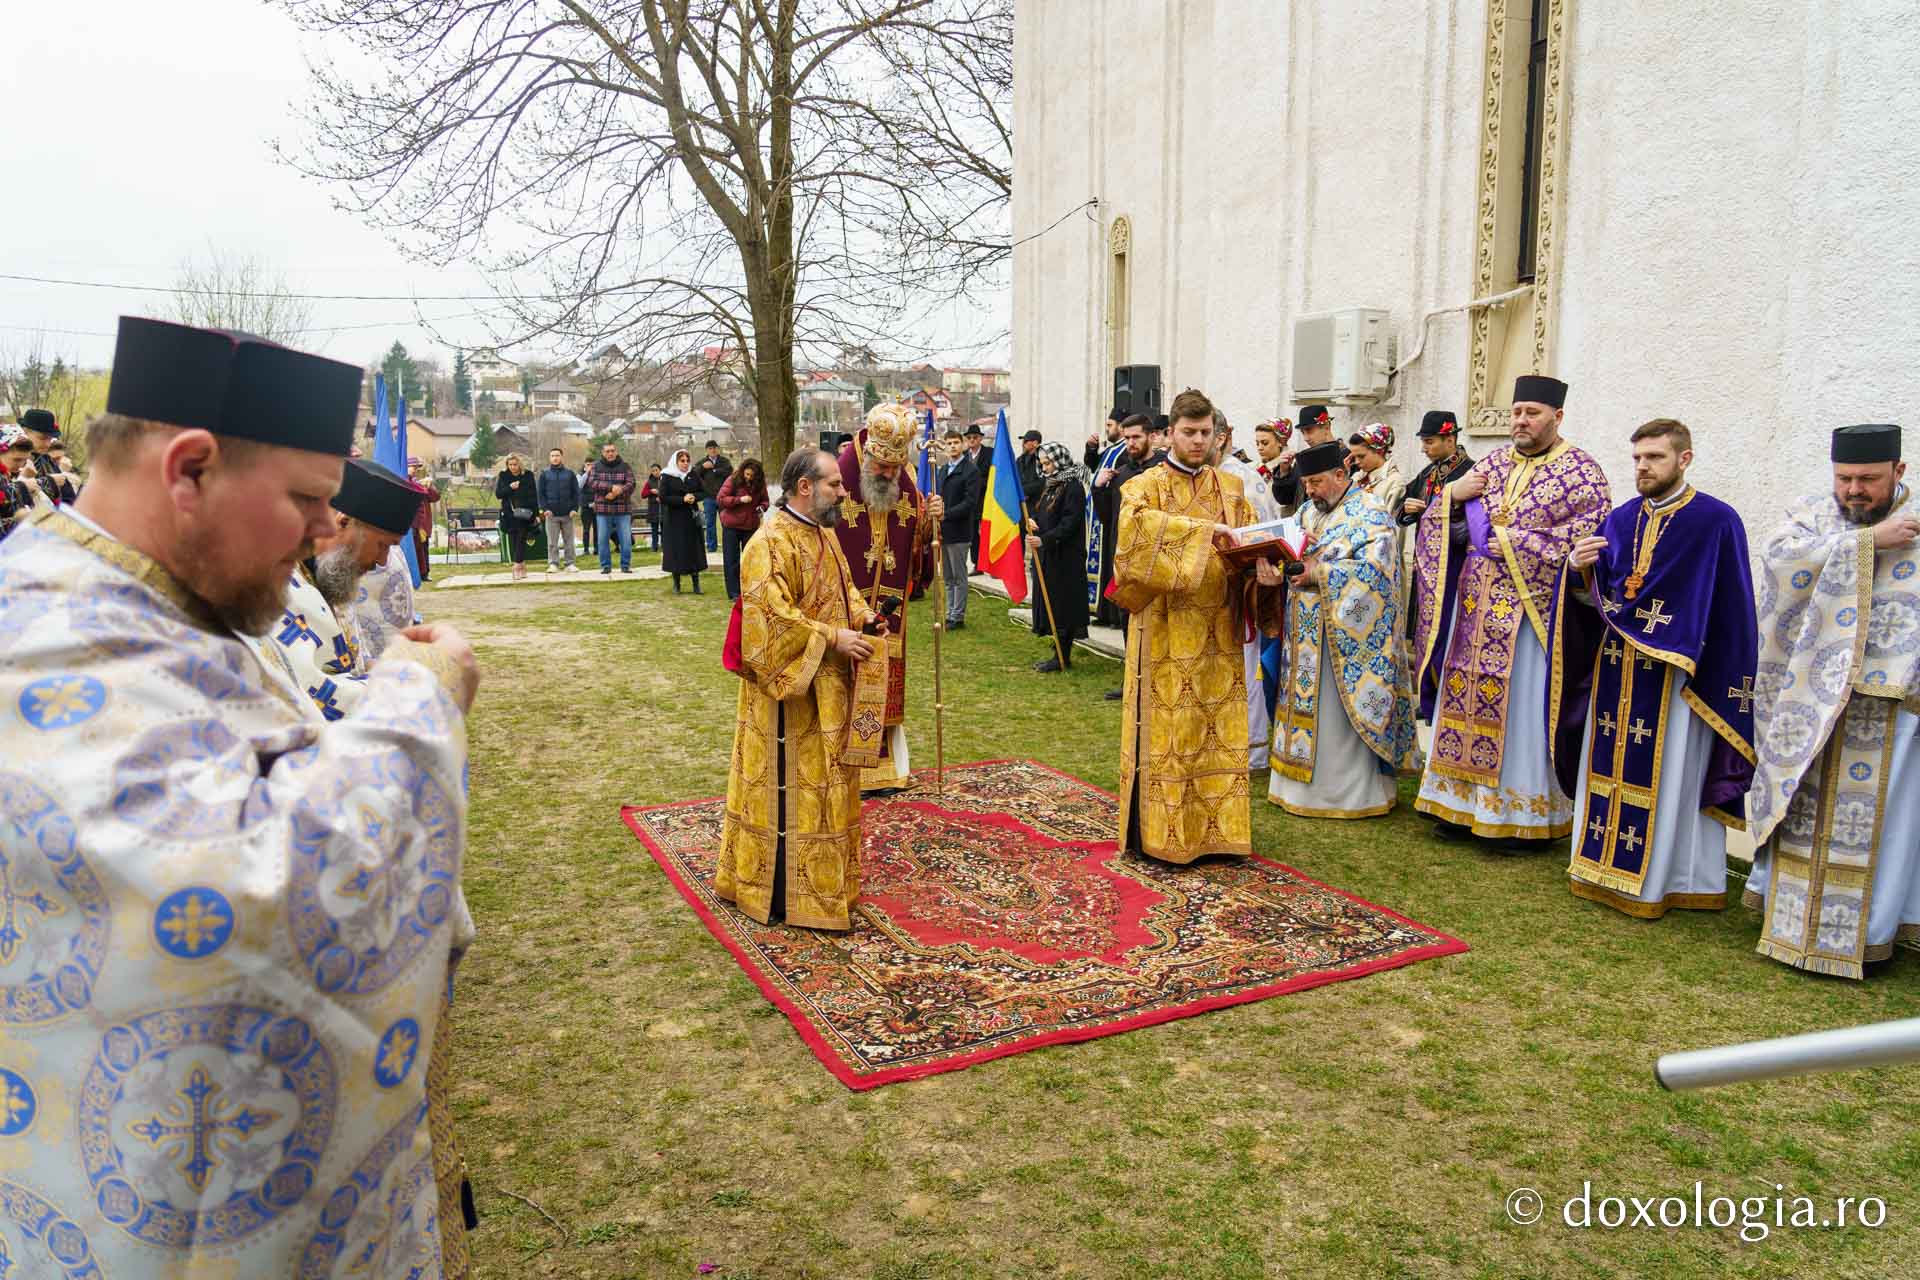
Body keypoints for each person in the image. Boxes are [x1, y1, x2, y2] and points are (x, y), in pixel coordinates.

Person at [0, 314, 481, 1278]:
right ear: (189, 470)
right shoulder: (42, 639)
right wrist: (418, 705)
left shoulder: (159, 603)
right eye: (307, 498)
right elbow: (240, 896)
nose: (322, 533)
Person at [1550, 419, 1757, 920]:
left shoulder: (1716, 521)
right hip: (1616, 670)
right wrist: (1578, 567)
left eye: (1655, 458)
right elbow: (1597, 597)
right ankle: (1597, 867)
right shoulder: (1620, 520)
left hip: (1677, 680)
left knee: (1672, 777)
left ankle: (1667, 880)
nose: (1643, 467)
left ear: (1684, 459)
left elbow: (1733, 610)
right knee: (1608, 765)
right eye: (1639, 458)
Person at [1743, 423, 1920, 977]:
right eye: (1844, 478)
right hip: (1809, 700)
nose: (1854, 491)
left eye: (1868, 479)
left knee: (1878, 826)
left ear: (1899, 471)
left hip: (1890, 708)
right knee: (1804, 809)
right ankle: (1789, 925)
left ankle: (1868, 934)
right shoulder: (1814, 516)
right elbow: (1780, 563)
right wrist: (1868, 541)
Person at [1412, 375, 1610, 844]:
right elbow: (1446, 528)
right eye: (1517, 411)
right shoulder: (1492, 464)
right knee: (1462, 695)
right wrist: (1450, 500)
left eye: (1533, 413)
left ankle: (1515, 814)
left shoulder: (1583, 474)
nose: (1521, 420)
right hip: (1473, 609)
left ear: (1556, 417)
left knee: (1518, 707)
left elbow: (1588, 542)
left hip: (1529, 617)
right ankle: (1457, 805)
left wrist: (1511, 541)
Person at [1110, 388, 1284, 863]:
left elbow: (1246, 547)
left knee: (1216, 731)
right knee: (1171, 734)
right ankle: (1161, 835)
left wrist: (1264, 572)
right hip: (1165, 630)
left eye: (1206, 433)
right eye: (1188, 432)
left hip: (1219, 631)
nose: (1197, 441)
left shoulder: (1232, 489)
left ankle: (1217, 835)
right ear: (1170, 433)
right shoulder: (1143, 486)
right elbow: (1132, 543)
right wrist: (1207, 532)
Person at [714, 446, 877, 930]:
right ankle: (781, 894)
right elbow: (771, 619)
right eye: (835, 485)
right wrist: (832, 637)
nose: (843, 492)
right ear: (805, 487)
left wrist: (867, 617)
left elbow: (843, 588)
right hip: (789, 693)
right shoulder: (767, 543)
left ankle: (823, 887)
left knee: (827, 785)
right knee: (792, 788)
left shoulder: (823, 535)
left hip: (828, 688)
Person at [1268, 441, 1415, 816]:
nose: (1311, 491)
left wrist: (1321, 572)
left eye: (1317, 482)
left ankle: (1347, 795)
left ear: (1340, 475)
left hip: (1347, 643)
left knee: (1336, 720)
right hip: (1302, 637)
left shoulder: (1371, 512)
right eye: (1307, 483)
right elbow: (1287, 559)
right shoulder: (1305, 512)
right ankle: (1297, 788)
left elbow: (1379, 574)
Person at [246, 457, 424, 720]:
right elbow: (309, 694)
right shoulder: (275, 585)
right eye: (383, 545)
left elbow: (351, 664)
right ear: (343, 521)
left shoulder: (333, 577)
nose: (382, 561)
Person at [832, 403, 942, 789]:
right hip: (844, 606)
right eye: (883, 468)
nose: (891, 475)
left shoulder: (905, 486)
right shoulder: (839, 476)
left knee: (885, 679)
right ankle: (841, 769)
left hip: (890, 610)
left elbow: (919, 551)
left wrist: (931, 520)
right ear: (869, 455)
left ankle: (885, 770)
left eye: (896, 468)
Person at [1025, 441, 1088, 670]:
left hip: (1066, 556)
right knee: (1052, 602)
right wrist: (1034, 522)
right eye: (1042, 463)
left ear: (1059, 460)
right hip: (1050, 555)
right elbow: (1046, 514)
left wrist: (1045, 539)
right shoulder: (1052, 484)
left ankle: (1063, 656)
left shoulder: (1072, 486)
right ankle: (1057, 651)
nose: (1046, 468)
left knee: (1062, 605)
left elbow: (1069, 522)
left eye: (1049, 463)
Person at [1087, 407, 1134, 627]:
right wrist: (1091, 449)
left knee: (1112, 563)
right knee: (1104, 562)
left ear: (1121, 427)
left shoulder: (1126, 450)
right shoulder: (1111, 450)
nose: (1107, 429)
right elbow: (1094, 467)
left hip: (1113, 513)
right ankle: (1103, 611)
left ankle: (1115, 614)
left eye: (1110, 425)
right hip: (1100, 513)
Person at [934, 428, 983, 630]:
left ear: (962, 445)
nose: (953, 446)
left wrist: (948, 513)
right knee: (948, 576)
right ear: (944, 447)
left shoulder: (970, 471)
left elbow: (970, 502)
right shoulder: (943, 470)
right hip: (944, 530)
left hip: (959, 530)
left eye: (956, 442)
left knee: (959, 575)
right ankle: (949, 613)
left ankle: (957, 615)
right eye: (949, 443)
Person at [716, 455, 770, 600]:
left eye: (752, 476)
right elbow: (721, 499)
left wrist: (761, 507)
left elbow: (765, 501)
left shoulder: (760, 484)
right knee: (731, 560)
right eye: (747, 474)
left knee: (749, 560)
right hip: (731, 526)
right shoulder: (733, 480)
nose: (749, 478)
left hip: (750, 526)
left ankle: (748, 589)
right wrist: (739, 500)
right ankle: (734, 593)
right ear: (742, 472)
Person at [659, 447, 708, 591]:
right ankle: (677, 583)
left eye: (687, 460)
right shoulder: (667, 476)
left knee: (694, 549)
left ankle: (696, 583)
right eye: (682, 461)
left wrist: (694, 497)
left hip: (691, 517)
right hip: (674, 518)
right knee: (676, 549)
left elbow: (704, 491)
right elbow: (663, 497)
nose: (685, 463)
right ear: (676, 462)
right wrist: (682, 499)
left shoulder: (693, 474)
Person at [587, 440, 638, 575]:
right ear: (603, 453)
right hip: (603, 510)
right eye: (607, 451)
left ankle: (625, 566)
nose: (610, 453)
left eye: (612, 451)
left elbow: (631, 484)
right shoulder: (596, 467)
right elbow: (592, 483)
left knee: (626, 539)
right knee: (603, 539)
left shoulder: (625, 466)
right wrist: (610, 488)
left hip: (623, 510)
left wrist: (618, 491)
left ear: (616, 452)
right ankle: (605, 566)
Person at [1349, 423, 1407, 533]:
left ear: (1379, 451)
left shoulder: (1394, 482)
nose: (1356, 462)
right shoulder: (1356, 478)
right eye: (1354, 457)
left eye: (1361, 456)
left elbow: (1390, 526)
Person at [494, 452, 539, 580]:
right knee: (515, 540)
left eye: (515, 464)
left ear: (520, 464)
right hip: (509, 514)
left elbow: (534, 495)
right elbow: (498, 494)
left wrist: (536, 514)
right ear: (507, 465)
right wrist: (510, 487)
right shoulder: (503, 476)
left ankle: (516, 565)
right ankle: (522, 564)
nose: (513, 467)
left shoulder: (528, 475)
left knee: (521, 537)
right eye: (510, 464)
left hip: (525, 513)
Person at [18, 408, 76, 506]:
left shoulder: (46, 459)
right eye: (43, 438)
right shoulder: (10, 461)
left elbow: (69, 498)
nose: (48, 444)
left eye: (50, 439)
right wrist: (49, 483)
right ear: (25, 432)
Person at [537, 446, 580, 572]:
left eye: (557, 455)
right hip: (551, 514)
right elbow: (541, 494)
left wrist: (574, 508)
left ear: (561, 457)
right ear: (549, 458)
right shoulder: (544, 474)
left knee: (569, 541)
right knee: (552, 542)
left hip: (568, 513)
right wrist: (545, 509)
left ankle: (569, 564)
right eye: (552, 456)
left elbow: (576, 493)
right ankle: (553, 563)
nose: (555, 458)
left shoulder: (570, 474)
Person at [406, 456, 441, 581]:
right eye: (413, 467)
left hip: (424, 523)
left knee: (424, 549)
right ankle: (416, 574)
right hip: (414, 523)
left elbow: (435, 497)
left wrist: (429, 486)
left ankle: (424, 573)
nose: (415, 469)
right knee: (416, 549)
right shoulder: (411, 483)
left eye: (417, 467)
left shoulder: (422, 484)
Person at [698, 439, 732, 553]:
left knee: (726, 523)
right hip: (709, 498)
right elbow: (693, 474)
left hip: (723, 497)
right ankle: (712, 548)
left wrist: (713, 470)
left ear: (718, 449)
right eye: (710, 448)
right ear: (707, 450)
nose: (713, 450)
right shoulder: (702, 462)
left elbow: (729, 472)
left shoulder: (724, 461)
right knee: (710, 524)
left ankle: (727, 546)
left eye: (715, 448)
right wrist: (703, 467)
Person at [963, 422, 989, 573]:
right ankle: (977, 563)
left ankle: (991, 564)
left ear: (980, 439)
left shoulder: (989, 453)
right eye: (969, 437)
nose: (972, 440)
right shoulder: (964, 455)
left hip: (986, 499)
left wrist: (978, 483)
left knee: (987, 532)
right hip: (971, 501)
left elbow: (994, 474)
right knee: (973, 534)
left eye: (975, 437)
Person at [1017, 428, 1046, 507]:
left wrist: (1024, 490)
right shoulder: (1020, 460)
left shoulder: (1042, 459)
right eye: (1023, 441)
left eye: (1026, 441)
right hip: (1022, 503)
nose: (1023, 443)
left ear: (1035, 443)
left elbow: (1043, 481)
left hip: (1037, 503)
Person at [642, 462, 664, 550]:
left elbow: (669, 492)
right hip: (653, 509)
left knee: (664, 529)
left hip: (663, 508)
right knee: (654, 529)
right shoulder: (649, 482)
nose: (655, 472)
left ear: (660, 470)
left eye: (656, 470)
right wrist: (651, 491)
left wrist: (662, 497)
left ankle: (664, 545)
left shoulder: (665, 480)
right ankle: (654, 546)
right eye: (653, 471)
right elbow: (643, 494)